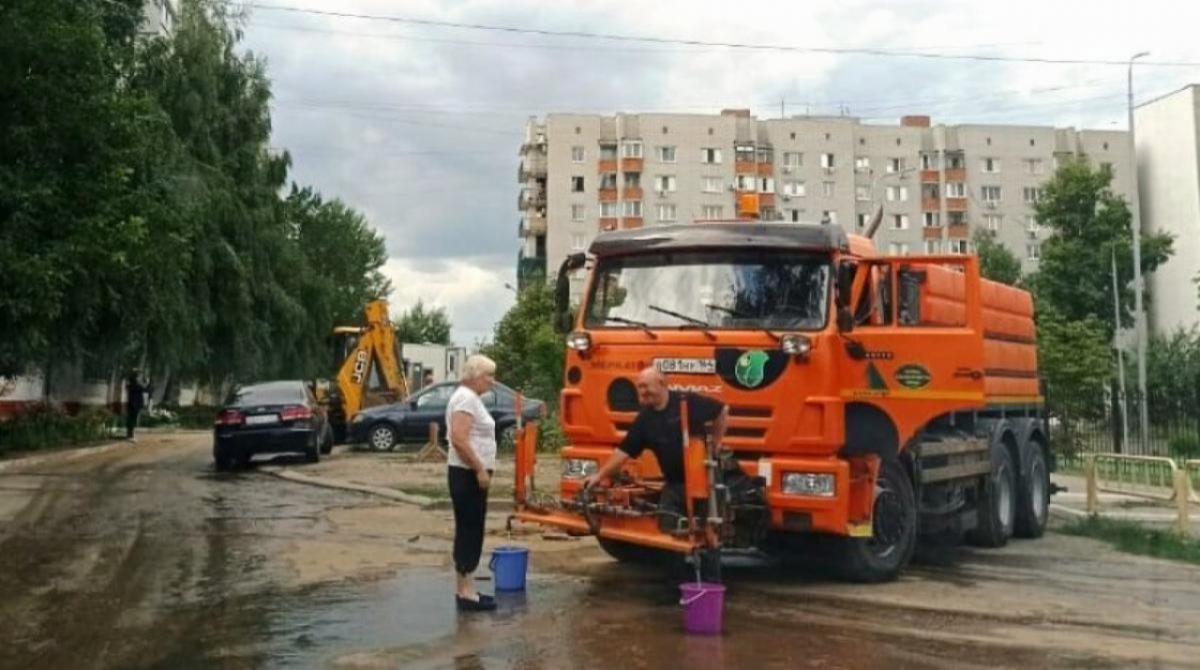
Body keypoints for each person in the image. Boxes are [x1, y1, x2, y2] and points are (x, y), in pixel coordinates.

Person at [583, 367, 728, 530]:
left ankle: (710, 552)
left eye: (646, 386)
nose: (642, 391)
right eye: (640, 387)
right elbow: (624, 451)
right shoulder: (645, 419)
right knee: (666, 528)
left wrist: (716, 442)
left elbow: (722, 410)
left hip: (703, 482)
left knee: (709, 532)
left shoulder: (687, 402)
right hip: (674, 484)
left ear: (661, 384)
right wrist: (599, 476)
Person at [446, 354, 500, 612]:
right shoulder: (466, 398)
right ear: (475, 375)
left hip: (466, 473)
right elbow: (459, 438)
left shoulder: (468, 397)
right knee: (470, 529)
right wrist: (479, 469)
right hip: (467, 474)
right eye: (488, 375)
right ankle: (466, 593)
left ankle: (466, 589)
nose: (492, 380)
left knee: (470, 528)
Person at [124, 371, 147, 441]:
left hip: (131, 404)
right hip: (135, 405)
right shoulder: (137, 386)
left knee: (131, 419)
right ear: (135, 378)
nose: (139, 378)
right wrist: (146, 381)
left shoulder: (131, 386)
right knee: (132, 420)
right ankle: (130, 436)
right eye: (138, 377)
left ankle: (129, 435)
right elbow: (145, 388)